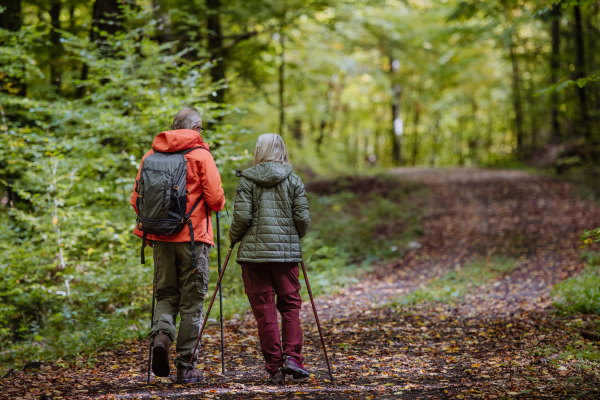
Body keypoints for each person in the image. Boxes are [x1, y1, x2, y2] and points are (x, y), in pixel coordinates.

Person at [130, 106, 225, 383]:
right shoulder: (200, 156)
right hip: (193, 240)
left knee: (166, 295)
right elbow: (217, 200)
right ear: (196, 129)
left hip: (159, 238)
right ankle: (186, 366)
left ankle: (161, 337)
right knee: (192, 304)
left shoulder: (151, 156)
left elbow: (137, 200)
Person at [228, 133, 311, 384]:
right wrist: (294, 237)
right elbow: (303, 219)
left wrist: (233, 238)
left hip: (254, 257)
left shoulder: (247, 181)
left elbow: (242, 219)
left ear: (258, 151)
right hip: (285, 256)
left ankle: (275, 367)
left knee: (264, 310)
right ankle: (292, 358)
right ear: (282, 149)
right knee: (290, 306)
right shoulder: (294, 180)